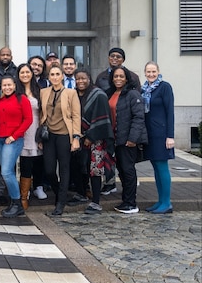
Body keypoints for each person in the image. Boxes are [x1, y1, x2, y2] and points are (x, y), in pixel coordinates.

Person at [40, 63, 81, 216]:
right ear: (49, 77)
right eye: (52, 75)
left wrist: (76, 137)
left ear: (62, 76)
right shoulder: (44, 92)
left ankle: (61, 203)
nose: (55, 77)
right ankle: (59, 193)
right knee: (50, 170)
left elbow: (76, 116)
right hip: (49, 135)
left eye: (58, 74)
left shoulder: (71, 93)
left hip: (64, 134)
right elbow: (41, 114)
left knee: (64, 169)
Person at [107, 66, 148, 214]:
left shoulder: (132, 94)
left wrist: (133, 139)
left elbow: (138, 117)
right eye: (116, 76)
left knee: (128, 170)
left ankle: (131, 203)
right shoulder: (112, 93)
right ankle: (126, 200)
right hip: (115, 139)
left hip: (127, 140)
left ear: (126, 78)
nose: (118, 79)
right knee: (122, 170)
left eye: (121, 76)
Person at [74, 69, 115, 215]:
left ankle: (96, 202)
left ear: (89, 79)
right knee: (81, 167)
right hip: (79, 138)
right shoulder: (74, 94)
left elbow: (103, 118)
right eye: (77, 79)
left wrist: (91, 137)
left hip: (96, 139)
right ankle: (82, 194)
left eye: (83, 78)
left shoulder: (99, 95)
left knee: (95, 170)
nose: (80, 81)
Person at [0, 75, 33, 218]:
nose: (7, 87)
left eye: (9, 85)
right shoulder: (0, 101)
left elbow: (28, 119)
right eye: (4, 85)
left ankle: (18, 204)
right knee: (7, 171)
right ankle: (13, 202)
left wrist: (14, 136)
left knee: (6, 172)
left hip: (13, 140)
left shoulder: (22, 99)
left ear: (15, 85)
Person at [142, 61, 175, 214]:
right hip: (150, 134)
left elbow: (170, 112)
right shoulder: (145, 89)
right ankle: (160, 200)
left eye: (153, 71)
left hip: (161, 134)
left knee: (162, 167)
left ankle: (167, 203)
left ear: (158, 71)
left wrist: (170, 136)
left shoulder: (164, 87)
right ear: (145, 73)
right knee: (155, 168)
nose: (151, 74)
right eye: (148, 72)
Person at [16, 63, 47, 207]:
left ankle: (38, 186)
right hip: (21, 129)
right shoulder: (15, 91)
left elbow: (44, 112)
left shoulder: (39, 91)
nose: (25, 75)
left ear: (32, 74)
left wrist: (41, 133)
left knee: (38, 159)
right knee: (25, 161)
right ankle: (24, 193)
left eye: (27, 72)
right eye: (22, 73)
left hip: (36, 128)